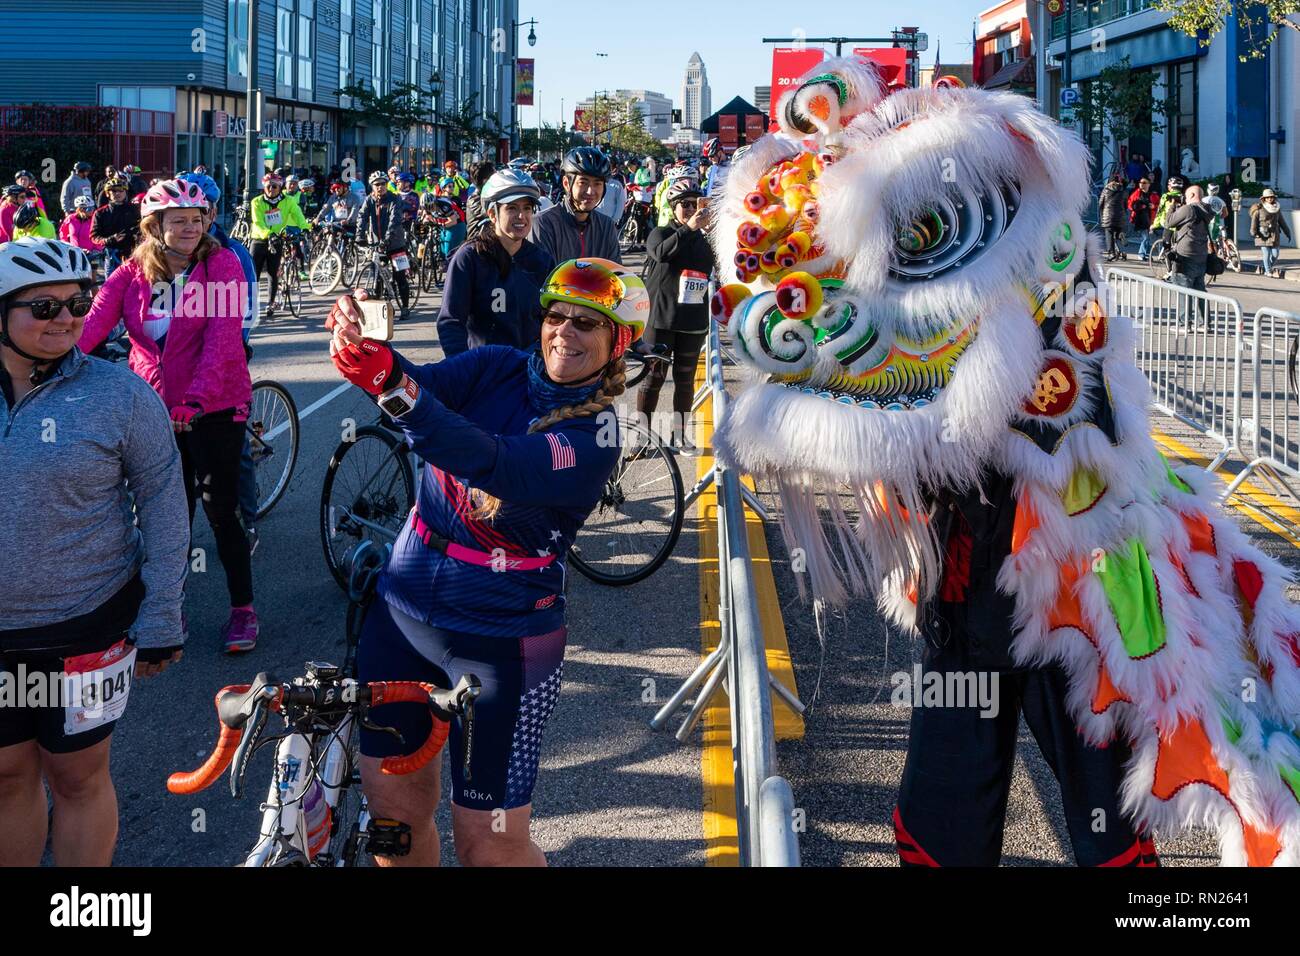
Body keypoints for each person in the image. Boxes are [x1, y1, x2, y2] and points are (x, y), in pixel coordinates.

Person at [324, 256, 647, 867]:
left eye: (588, 324)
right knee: (394, 820)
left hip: (504, 645)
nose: (565, 333)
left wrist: (398, 386)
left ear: (618, 342)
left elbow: (492, 460)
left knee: (490, 845)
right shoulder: (498, 364)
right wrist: (370, 355)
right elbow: (424, 387)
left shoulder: (595, 436)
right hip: (404, 612)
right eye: (557, 316)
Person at [0, 238, 189, 867]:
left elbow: (164, 503)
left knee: (77, 777)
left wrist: (162, 612)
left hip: (88, 625)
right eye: (44, 306)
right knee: (7, 778)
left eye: (78, 303)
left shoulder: (120, 394)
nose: (66, 319)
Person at [79, 179, 259, 653]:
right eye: (177, 220)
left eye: (196, 220)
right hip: (155, 406)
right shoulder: (134, 270)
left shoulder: (220, 264)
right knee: (164, 516)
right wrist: (45, 363)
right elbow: (92, 323)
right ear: (154, 226)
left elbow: (222, 341)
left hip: (216, 404)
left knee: (221, 510)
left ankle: (243, 610)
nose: (189, 228)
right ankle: (167, 602)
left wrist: (195, 400)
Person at [437, 170, 554, 356]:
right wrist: (462, 368)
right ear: (492, 213)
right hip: (484, 373)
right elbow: (450, 322)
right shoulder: (469, 258)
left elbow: (552, 321)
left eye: (527, 208)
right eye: (512, 208)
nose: (521, 216)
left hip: (530, 371)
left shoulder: (542, 261)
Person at [640, 179, 715, 447]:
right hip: (661, 319)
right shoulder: (661, 233)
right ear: (673, 208)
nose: (691, 209)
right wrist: (689, 228)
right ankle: (642, 435)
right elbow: (661, 253)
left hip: (692, 321)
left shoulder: (705, 240)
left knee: (685, 382)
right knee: (653, 379)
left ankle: (680, 435)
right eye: (684, 205)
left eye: (696, 204)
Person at [529, 147, 621, 265]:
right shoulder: (543, 224)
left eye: (597, 183)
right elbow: (541, 278)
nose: (590, 191)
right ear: (566, 183)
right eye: (583, 182)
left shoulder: (606, 226)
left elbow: (617, 275)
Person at [248, 171, 309, 318]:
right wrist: (268, 234)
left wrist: (306, 227)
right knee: (253, 274)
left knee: (272, 273)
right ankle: (251, 304)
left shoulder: (288, 201)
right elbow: (258, 222)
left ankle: (271, 303)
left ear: (280, 187)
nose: (271, 189)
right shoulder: (256, 201)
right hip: (259, 239)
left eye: (274, 187)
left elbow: (298, 215)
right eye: (268, 186)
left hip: (278, 239)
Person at [356, 170, 413, 319]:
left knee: (400, 277)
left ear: (387, 185)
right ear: (372, 187)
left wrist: (387, 239)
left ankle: (405, 307)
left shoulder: (395, 199)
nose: (380, 187)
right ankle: (381, 307)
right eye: (376, 185)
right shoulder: (369, 200)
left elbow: (395, 221)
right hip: (377, 243)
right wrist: (359, 236)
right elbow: (362, 217)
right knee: (377, 276)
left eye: (382, 184)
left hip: (396, 243)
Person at [1165, 183, 1213, 328]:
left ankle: (1184, 323)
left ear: (1191, 196)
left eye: (1185, 197)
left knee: (1183, 290)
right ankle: (1204, 323)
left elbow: (1168, 222)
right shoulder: (1207, 210)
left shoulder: (1187, 209)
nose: (1184, 200)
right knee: (1200, 290)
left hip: (1185, 256)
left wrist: (1172, 206)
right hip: (1201, 256)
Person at [91, 175, 142, 276]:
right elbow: (94, 236)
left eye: (121, 190)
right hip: (112, 255)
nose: (117, 193)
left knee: (134, 287)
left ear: (125, 192)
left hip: (133, 254)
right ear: (107, 193)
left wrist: (137, 236)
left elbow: (144, 229)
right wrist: (110, 239)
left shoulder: (135, 210)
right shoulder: (100, 213)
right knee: (111, 288)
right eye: (113, 191)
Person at [1250, 188, 1291, 278]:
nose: (1269, 199)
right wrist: (1254, 232)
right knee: (1267, 253)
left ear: (1274, 198)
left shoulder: (1277, 208)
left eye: (1271, 197)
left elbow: (1282, 221)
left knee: (1275, 254)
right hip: (1262, 235)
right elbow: (1254, 222)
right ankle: (1268, 271)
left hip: (1274, 235)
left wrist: (1288, 232)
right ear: (1264, 199)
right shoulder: (1258, 209)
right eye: (1267, 197)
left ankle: (1266, 267)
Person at [1097, 172, 1129, 261]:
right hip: (1120, 216)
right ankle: (1121, 235)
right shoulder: (1123, 190)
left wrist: (1101, 214)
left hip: (1108, 216)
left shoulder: (1106, 189)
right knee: (1118, 231)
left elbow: (1100, 203)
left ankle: (1111, 253)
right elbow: (1125, 204)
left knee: (1109, 234)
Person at [1127, 175, 1159, 260]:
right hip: (1140, 219)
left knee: (1147, 237)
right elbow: (1130, 205)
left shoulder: (1153, 194)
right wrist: (1140, 207)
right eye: (1140, 183)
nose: (1141, 184)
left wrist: (1154, 206)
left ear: (1149, 184)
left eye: (1144, 183)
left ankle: (1146, 254)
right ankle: (1141, 254)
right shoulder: (1136, 193)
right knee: (1145, 237)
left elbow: (1159, 205)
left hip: (1150, 219)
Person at [464, 161, 496, 238]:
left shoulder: (489, 195)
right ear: (485, 180)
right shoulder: (474, 200)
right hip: (478, 244)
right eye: (494, 175)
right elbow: (493, 213)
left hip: (491, 242)